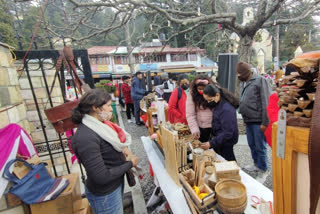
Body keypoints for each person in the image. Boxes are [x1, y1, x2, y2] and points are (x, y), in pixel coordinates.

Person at [71, 88, 139, 214]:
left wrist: (125, 152)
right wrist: (130, 164)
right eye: (107, 105)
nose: (110, 108)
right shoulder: (86, 137)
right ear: (96, 108)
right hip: (105, 195)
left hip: (113, 187)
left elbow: (112, 144)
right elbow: (101, 177)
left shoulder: (99, 125)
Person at [236, 62, 271, 183]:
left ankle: (263, 169)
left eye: (240, 75)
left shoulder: (260, 80)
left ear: (247, 73)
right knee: (251, 144)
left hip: (258, 120)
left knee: (260, 146)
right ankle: (256, 164)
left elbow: (266, 101)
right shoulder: (243, 82)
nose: (238, 77)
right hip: (249, 119)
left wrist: (265, 122)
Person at [200, 84, 239, 161]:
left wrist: (211, 143)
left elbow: (227, 132)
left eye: (210, 100)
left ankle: (235, 171)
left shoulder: (226, 109)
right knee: (222, 159)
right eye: (207, 100)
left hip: (226, 141)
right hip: (221, 139)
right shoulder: (219, 104)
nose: (208, 102)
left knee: (228, 160)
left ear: (217, 95)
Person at [186, 74, 215, 142]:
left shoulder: (214, 92)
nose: (202, 91)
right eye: (199, 89)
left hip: (214, 127)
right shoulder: (192, 95)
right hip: (201, 128)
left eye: (204, 89)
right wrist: (194, 129)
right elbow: (190, 114)